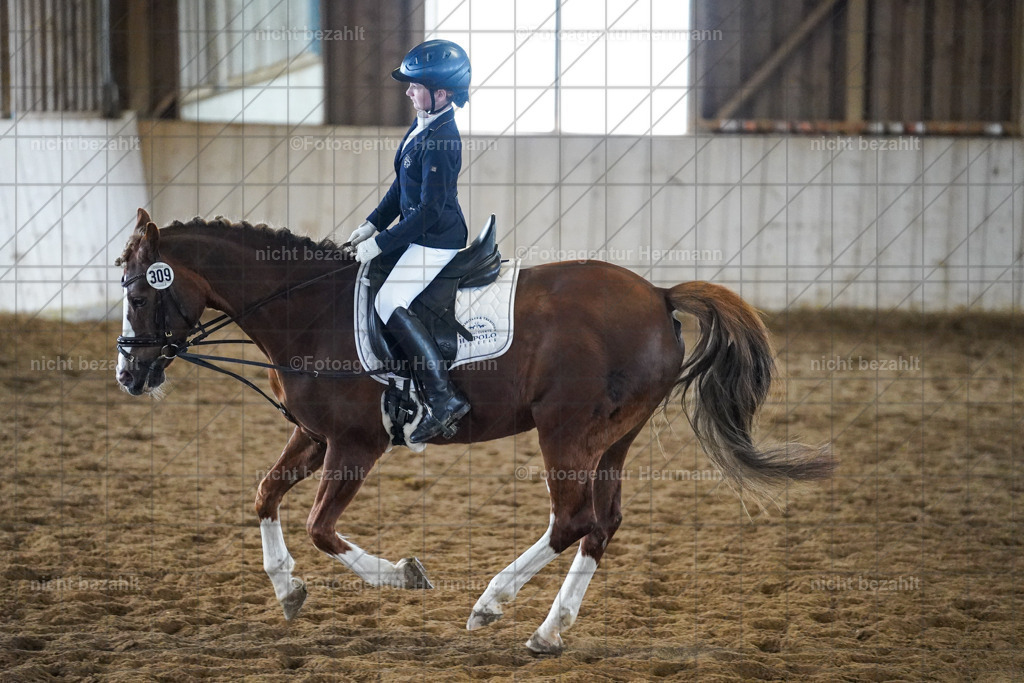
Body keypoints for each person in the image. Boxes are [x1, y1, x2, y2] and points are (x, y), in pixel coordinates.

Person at [349, 39, 472, 443]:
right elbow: (400, 188)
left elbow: (429, 211)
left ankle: (443, 399)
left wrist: (382, 243)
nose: (407, 92)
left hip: (437, 239)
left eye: (415, 86)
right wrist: (371, 224)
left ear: (442, 93)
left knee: (388, 301)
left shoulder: (442, 138)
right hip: (420, 232)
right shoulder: (423, 124)